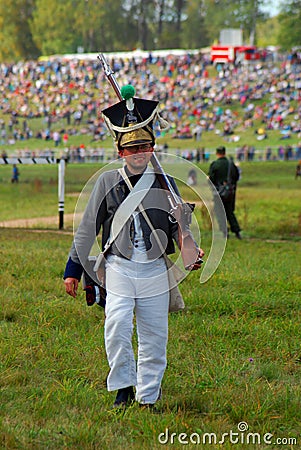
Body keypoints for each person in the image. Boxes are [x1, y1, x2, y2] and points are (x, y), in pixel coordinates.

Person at [63, 85, 204, 410]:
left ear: (153, 148)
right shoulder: (106, 182)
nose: (138, 151)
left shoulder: (165, 184)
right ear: (120, 152)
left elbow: (179, 230)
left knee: (155, 336)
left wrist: (189, 249)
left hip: (155, 269)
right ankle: (123, 387)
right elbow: (87, 229)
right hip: (119, 267)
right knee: (116, 325)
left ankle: (148, 397)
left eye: (144, 145)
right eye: (131, 147)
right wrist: (73, 269)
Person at [208, 146, 242, 239]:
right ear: (224, 153)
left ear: (217, 153)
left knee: (220, 212)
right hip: (230, 192)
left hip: (218, 193)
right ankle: (237, 231)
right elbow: (237, 177)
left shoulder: (215, 164)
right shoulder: (231, 164)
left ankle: (225, 232)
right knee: (230, 212)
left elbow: (211, 179)